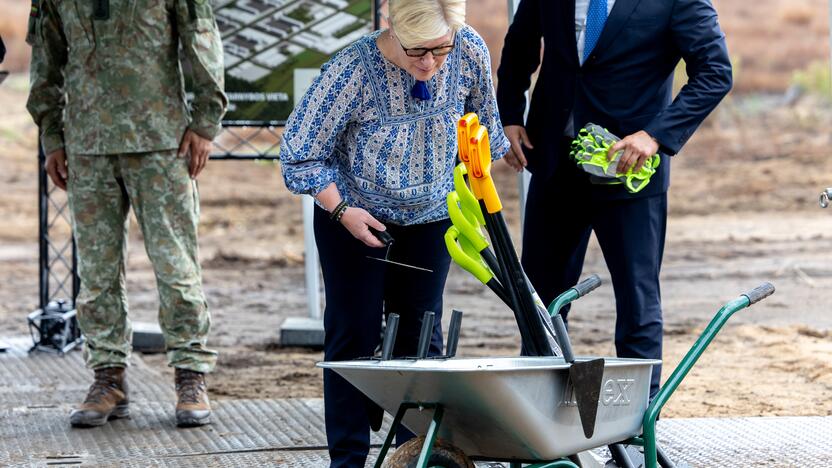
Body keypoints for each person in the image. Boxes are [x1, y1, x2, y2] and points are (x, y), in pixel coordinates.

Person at [278, 0, 509, 465]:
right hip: (356, 217)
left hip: (433, 216)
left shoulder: (468, 51)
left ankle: (417, 455)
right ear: (393, 28)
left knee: (423, 336)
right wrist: (341, 209)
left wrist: (471, 190)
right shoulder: (350, 69)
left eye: (440, 51)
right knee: (353, 333)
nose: (429, 64)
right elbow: (300, 152)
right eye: (417, 51)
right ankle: (348, 458)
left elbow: (484, 126)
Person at [496, 0, 732, 397]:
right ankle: (543, 431)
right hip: (554, 162)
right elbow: (519, 45)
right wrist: (510, 114)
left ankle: (638, 435)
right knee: (539, 304)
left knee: (638, 306)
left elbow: (715, 72)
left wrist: (656, 135)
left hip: (629, 172)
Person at [26, 0, 227, 427]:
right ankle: (108, 378)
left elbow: (201, 42)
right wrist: (52, 134)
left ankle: (190, 375)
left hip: (162, 141)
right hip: (87, 143)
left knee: (176, 266)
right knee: (96, 272)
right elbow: (47, 58)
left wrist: (205, 122)